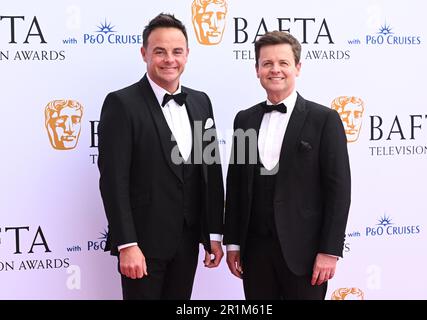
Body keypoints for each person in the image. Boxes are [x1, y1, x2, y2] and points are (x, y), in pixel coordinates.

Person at [98, 13, 224, 300]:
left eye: (177, 51)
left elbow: (210, 172)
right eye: (160, 51)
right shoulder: (121, 103)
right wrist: (127, 244)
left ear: (187, 54)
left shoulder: (201, 102)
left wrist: (213, 234)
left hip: (188, 239)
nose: (170, 59)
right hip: (142, 243)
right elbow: (114, 181)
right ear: (144, 53)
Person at [223, 31, 351, 300]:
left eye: (283, 62)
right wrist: (233, 243)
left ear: (298, 68)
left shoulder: (324, 119)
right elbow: (236, 185)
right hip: (255, 251)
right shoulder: (244, 120)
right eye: (267, 63)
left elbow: (338, 190)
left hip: (305, 255)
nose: (275, 69)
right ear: (257, 69)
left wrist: (329, 251)